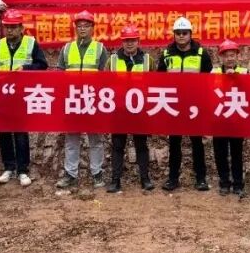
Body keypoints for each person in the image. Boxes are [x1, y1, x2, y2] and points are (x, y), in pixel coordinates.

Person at [55, 11, 109, 189]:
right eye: (79, 26)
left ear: (93, 28)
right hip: (72, 100)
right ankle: (70, 174)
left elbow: (106, 77)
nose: (83, 29)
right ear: (75, 28)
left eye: (86, 25)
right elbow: (59, 74)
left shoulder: (100, 49)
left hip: (92, 100)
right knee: (72, 139)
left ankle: (97, 173)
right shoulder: (67, 48)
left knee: (95, 139)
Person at [0, 10, 48, 187]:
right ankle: (8, 167)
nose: (10, 30)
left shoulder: (31, 43)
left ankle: (23, 169)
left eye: (13, 27)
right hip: (2, 95)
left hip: (23, 95)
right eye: (7, 27)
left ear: (21, 28)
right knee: (3, 132)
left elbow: (42, 65)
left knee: (20, 133)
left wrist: (26, 68)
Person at [157, 17, 213, 191]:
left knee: (197, 142)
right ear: (174, 35)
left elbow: (209, 80)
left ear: (190, 34)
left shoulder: (201, 54)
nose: (181, 36)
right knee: (174, 143)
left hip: (194, 105)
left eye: (184, 33)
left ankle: (201, 178)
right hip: (173, 104)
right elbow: (159, 79)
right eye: (178, 33)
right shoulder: (167, 54)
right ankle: (173, 178)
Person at [106, 24, 154, 194]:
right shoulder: (112, 60)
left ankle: (145, 179)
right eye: (126, 40)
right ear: (122, 42)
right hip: (119, 110)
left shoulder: (148, 60)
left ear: (138, 41)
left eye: (132, 40)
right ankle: (115, 180)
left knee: (141, 145)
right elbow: (105, 83)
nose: (129, 43)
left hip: (139, 110)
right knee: (118, 146)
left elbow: (154, 84)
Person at [213, 39, 246, 197]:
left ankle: (238, 183)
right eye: (226, 55)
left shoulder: (245, 72)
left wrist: (236, 78)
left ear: (237, 56)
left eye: (232, 55)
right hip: (219, 118)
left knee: (236, 153)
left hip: (236, 118)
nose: (230, 58)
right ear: (221, 57)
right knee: (220, 153)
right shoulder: (214, 72)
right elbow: (209, 89)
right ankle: (224, 182)